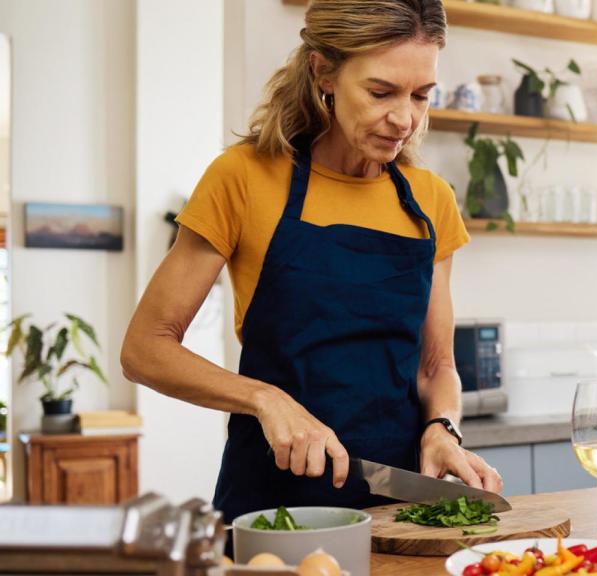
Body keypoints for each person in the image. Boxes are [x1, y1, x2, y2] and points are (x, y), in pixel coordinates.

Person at [121, 0, 501, 524]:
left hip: (401, 508)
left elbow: (436, 366)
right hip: (274, 509)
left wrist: (443, 427)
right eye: (380, 92)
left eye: (421, 95)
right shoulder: (244, 177)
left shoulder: (430, 199)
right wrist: (264, 399)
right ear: (324, 71)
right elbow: (145, 348)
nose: (405, 118)